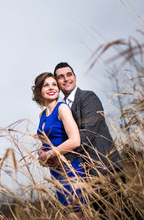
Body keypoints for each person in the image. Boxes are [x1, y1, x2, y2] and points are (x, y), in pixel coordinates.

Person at [54, 62, 134, 219]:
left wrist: (62, 156)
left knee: (125, 213)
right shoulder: (62, 108)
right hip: (86, 173)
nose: (66, 79)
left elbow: (88, 131)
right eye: (61, 76)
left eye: (69, 75)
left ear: (75, 78)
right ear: (57, 82)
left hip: (105, 166)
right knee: (102, 216)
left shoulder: (88, 97)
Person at [32, 72, 86, 219]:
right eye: (46, 85)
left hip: (70, 170)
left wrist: (50, 154)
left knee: (76, 215)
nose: (52, 88)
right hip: (56, 173)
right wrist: (41, 153)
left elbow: (75, 140)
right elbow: (47, 141)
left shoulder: (62, 108)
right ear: (39, 91)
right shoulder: (42, 115)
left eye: (54, 84)